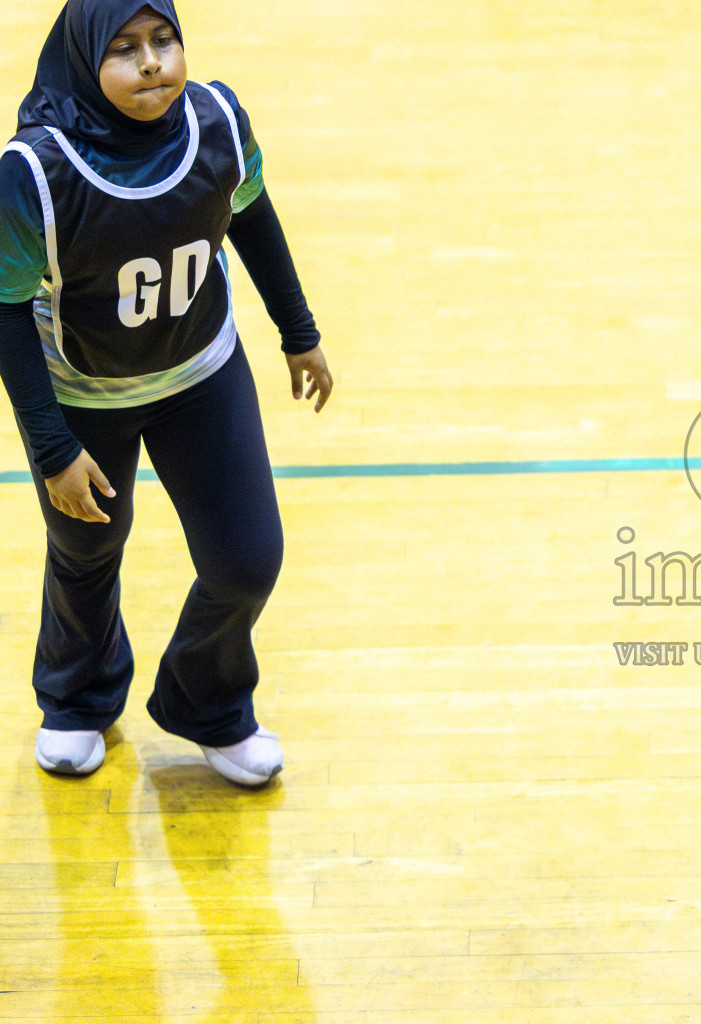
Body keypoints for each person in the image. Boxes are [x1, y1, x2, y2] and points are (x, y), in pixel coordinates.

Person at [0, 0, 332, 786]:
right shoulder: (33, 172)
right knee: (87, 550)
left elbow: (250, 214)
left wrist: (298, 329)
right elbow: (7, 309)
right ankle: (77, 699)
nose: (151, 61)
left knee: (246, 561)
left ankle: (207, 704)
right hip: (84, 393)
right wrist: (53, 449)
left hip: (201, 378)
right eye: (123, 48)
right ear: (85, 62)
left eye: (163, 40)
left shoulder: (218, 120)